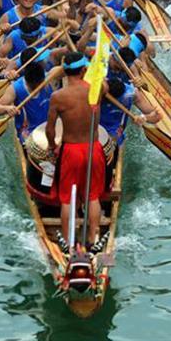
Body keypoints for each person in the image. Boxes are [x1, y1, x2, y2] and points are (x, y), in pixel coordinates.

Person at [46, 52, 106, 248]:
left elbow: (50, 129)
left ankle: (67, 242)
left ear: (64, 72)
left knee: (67, 198)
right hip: (93, 149)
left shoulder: (58, 96)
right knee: (92, 196)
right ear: (83, 70)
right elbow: (102, 82)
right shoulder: (97, 90)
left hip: (70, 151)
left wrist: (52, 147)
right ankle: (93, 238)